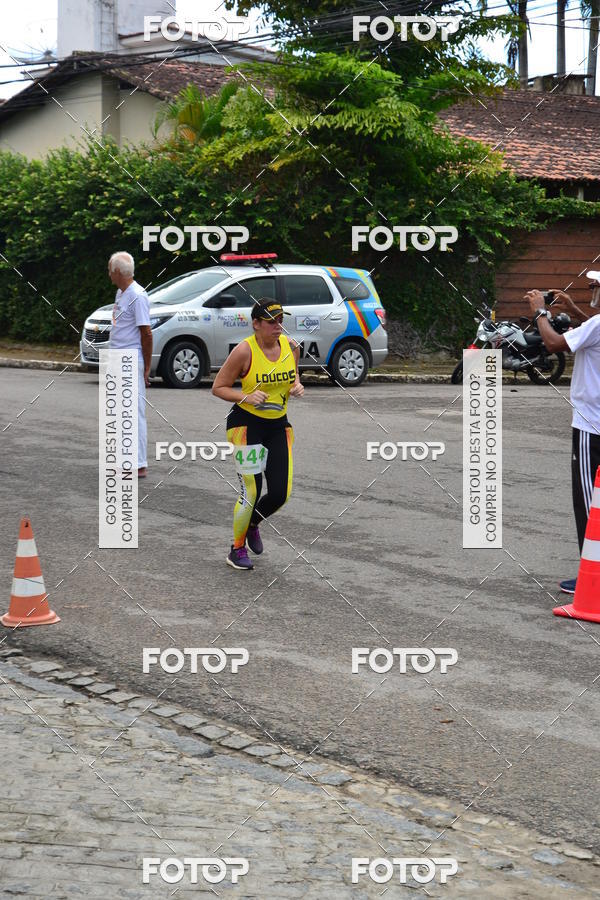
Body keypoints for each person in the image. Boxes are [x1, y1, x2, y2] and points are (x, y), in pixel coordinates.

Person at [212, 298, 304, 570]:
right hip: (245, 425)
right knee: (252, 489)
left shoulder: (291, 346)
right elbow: (218, 387)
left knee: (280, 492)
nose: (278, 327)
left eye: (280, 321)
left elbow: (292, 378)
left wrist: (297, 386)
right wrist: (246, 397)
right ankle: (236, 549)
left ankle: (253, 522)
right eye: (271, 322)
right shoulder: (244, 351)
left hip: (278, 425)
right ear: (256, 324)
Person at [525, 285, 600, 595]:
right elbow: (589, 332)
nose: (594, 291)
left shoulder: (596, 325)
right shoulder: (595, 325)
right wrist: (573, 307)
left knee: (586, 501)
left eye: (597, 287)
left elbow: (554, 343)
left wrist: (541, 311)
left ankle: (592, 578)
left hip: (590, 425)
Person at [108, 252, 152, 478]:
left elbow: (146, 333)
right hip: (118, 357)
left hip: (130, 358)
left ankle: (139, 464)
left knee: (133, 412)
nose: (109, 274)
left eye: (110, 270)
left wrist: (145, 367)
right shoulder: (121, 292)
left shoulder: (137, 295)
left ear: (117, 272)